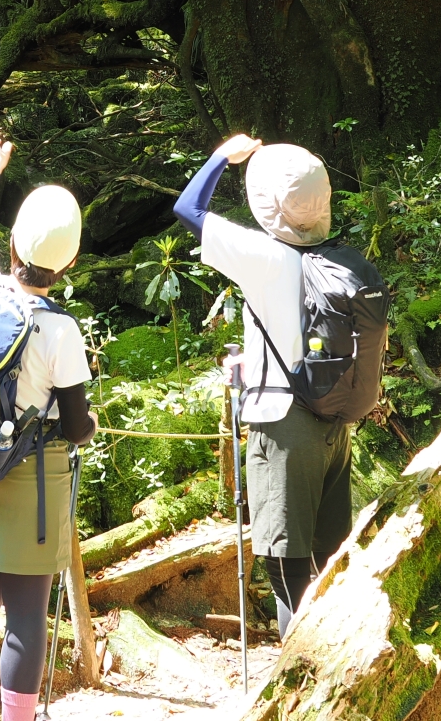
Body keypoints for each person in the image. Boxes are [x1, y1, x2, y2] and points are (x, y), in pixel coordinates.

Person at [0, 118, 98, 721]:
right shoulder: (62, 331)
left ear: (14, 249)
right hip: (35, 481)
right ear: (72, 262)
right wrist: (66, 424)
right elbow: (79, 424)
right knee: (27, 616)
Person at [172, 132, 349, 639]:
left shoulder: (264, 256)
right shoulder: (336, 256)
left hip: (285, 426)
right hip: (334, 422)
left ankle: (300, 688)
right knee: (327, 559)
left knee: (285, 569)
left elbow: (189, 209)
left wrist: (221, 157)